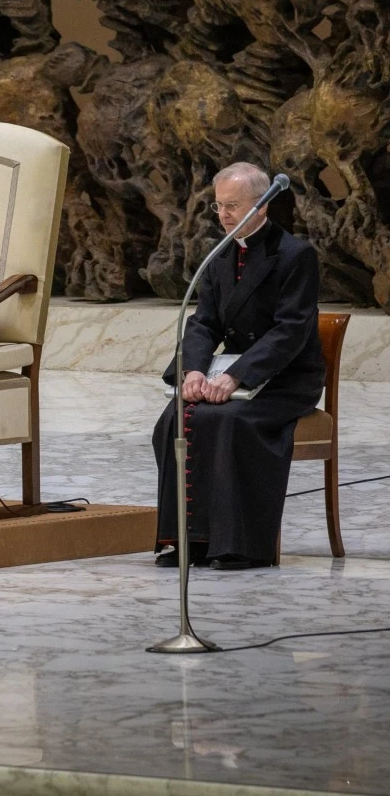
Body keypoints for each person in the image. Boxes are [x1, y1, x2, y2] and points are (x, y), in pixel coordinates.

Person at [153, 162, 323, 570]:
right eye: (219, 206)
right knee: (175, 419)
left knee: (231, 421)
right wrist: (193, 371)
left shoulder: (295, 254)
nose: (225, 215)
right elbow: (203, 322)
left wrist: (237, 376)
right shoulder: (221, 255)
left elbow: (291, 329)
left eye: (233, 206)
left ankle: (243, 545)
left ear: (262, 206)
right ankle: (189, 540)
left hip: (285, 377)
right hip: (231, 374)